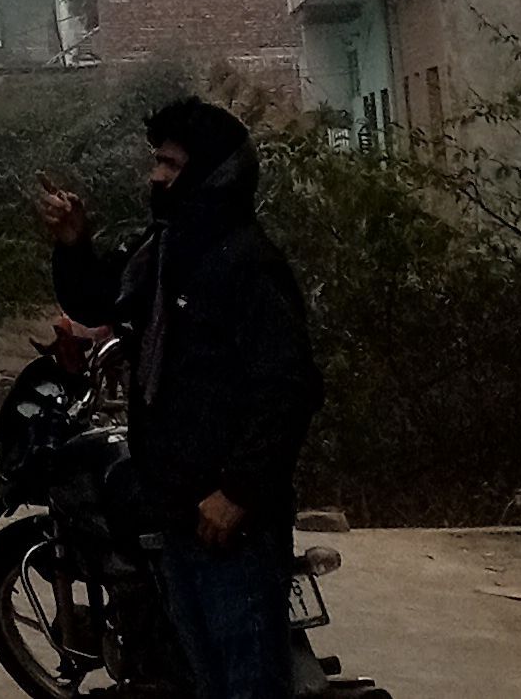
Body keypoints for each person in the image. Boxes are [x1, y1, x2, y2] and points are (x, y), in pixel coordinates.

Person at [36, 95, 321, 699]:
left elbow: (288, 386)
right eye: (156, 161)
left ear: (212, 173)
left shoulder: (244, 262)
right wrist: (74, 244)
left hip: (231, 526)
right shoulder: (165, 248)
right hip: (177, 509)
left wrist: (238, 492)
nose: (155, 176)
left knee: (248, 684)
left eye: (169, 163)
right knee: (203, 680)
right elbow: (104, 299)